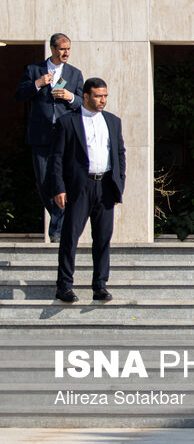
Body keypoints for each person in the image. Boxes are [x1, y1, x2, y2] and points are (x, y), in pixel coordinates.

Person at [49, 78, 126, 304]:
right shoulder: (67, 122)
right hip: (78, 187)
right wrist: (59, 188)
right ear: (85, 96)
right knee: (70, 237)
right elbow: (56, 159)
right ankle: (64, 286)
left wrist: (119, 181)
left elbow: (120, 153)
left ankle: (100, 285)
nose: (103, 100)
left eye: (105, 96)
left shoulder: (113, 121)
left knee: (103, 238)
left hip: (105, 187)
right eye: (98, 96)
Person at [13, 34, 84, 243]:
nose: (66, 53)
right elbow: (19, 95)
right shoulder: (33, 70)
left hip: (64, 135)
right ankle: (58, 217)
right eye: (62, 49)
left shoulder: (74, 74)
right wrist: (37, 83)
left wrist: (69, 97)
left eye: (69, 49)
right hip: (40, 135)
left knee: (62, 180)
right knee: (44, 180)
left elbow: (82, 102)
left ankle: (57, 230)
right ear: (52, 49)